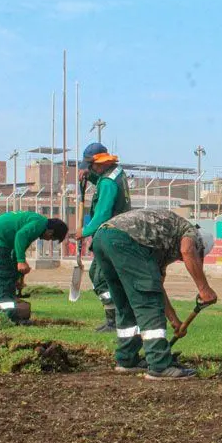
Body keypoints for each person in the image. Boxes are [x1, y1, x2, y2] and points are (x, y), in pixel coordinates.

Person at [91, 208, 217, 380]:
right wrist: (204, 289)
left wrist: (175, 321)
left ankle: (127, 359)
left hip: (103, 238)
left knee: (127, 304)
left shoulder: (160, 244)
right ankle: (159, 365)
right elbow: (188, 250)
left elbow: (157, 287)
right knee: (148, 304)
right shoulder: (190, 232)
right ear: (199, 245)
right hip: (126, 239)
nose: (182, 259)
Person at [78, 142, 133, 333]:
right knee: (107, 276)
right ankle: (116, 318)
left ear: (99, 163)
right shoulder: (116, 173)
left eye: (90, 166)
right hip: (119, 232)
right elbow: (104, 181)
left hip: (111, 234)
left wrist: (83, 232)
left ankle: (114, 320)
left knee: (100, 277)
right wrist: (90, 176)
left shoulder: (108, 183)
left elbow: (102, 213)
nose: (89, 168)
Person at [0, 211, 69, 321]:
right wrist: (21, 261)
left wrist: (18, 276)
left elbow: (17, 251)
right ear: (51, 232)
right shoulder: (39, 224)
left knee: (0, 279)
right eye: (52, 238)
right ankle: (10, 316)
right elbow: (20, 236)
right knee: (6, 279)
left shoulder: (34, 222)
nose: (48, 239)